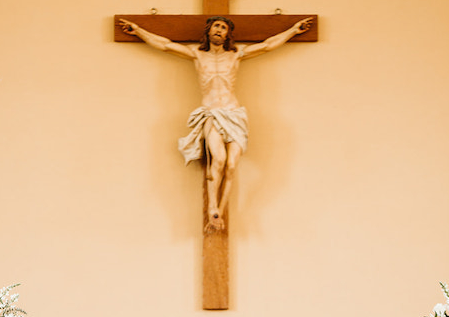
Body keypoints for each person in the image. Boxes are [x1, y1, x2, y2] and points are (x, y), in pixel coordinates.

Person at [118, 15, 314, 231]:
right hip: (212, 113)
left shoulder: (236, 54)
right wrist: (137, 30)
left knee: (231, 165)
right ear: (208, 30)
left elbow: (268, 46)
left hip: (234, 114)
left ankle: (219, 210)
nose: (219, 30)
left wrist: (294, 30)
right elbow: (165, 45)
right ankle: (213, 206)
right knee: (218, 160)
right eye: (216, 26)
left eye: (224, 27)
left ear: (228, 34)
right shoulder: (197, 54)